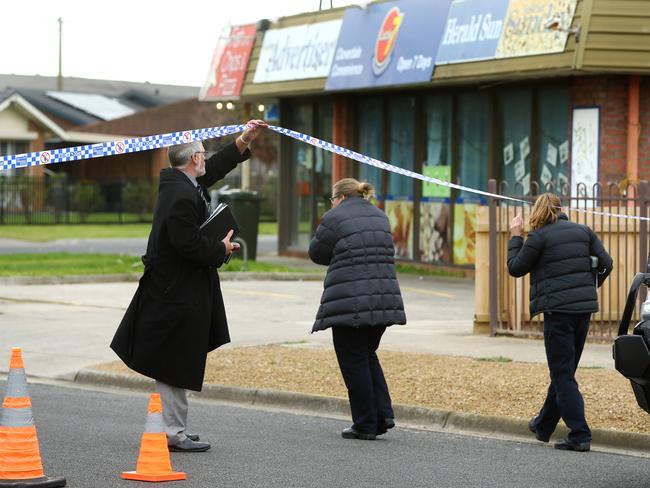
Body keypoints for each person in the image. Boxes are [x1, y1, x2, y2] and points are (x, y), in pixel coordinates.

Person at [110, 120, 268, 452]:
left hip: (180, 289)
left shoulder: (183, 185)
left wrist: (242, 141)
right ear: (194, 159)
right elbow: (188, 245)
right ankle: (171, 433)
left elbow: (215, 172)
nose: (207, 158)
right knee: (173, 361)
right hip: (174, 293)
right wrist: (221, 249)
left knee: (178, 358)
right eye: (203, 154)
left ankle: (175, 428)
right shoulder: (181, 195)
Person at [507, 192, 613, 452]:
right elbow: (607, 264)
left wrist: (516, 236)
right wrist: (588, 287)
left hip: (558, 313)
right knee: (564, 370)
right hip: (583, 311)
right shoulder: (583, 231)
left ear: (539, 212)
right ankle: (543, 425)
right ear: (560, 209)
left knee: (562, 373)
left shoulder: (539, 237)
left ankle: (580, 434)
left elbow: (516, 268)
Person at [309, 178, 406, 440]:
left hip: (349, 301)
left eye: (332, 199)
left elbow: (317, 253)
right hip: (383, 300)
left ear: (339, 198)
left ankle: (364, 423)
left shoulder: (335, 217)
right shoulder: (380, 215)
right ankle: (382, 416)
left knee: (353, 361)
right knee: (367, 354)